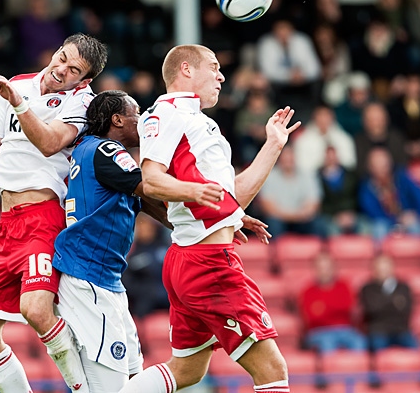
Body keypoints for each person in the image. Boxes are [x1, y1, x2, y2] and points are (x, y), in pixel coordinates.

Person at [0, 33, 107, 393]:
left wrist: (18, 105)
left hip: (44, 217)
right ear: (56, 50)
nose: (62, 69)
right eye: (62, 57)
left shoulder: (81, 103)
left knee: (37, 309)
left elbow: (49, 143)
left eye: (74, 69)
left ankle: (82, 388)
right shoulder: (19, 85)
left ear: (84, 80)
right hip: (7, 224)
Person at [118, 44, 300, 393]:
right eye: (214, 67)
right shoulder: (166, 113)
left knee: (187, 371)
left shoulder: (199, 122)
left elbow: (232, 196)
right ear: (186, 69)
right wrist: (194, 194)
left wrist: (273, 145)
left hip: (193, 258)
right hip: (209, 264)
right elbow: (152, 179)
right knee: (273, 369)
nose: (221, 75)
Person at [53, 90, 168, 391]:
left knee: (133, 377)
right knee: (113, 387)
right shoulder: (108, 151)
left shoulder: (86, 149)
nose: (141, 120)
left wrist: (195, 228)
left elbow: (148, 199)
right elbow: (151, 188)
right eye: (137, 113)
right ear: (117, 119)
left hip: (104, 279)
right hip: (90, 279)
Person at [299, 253, 367, 354]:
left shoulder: (344, 286)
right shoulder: (308, 291)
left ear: (333, 268)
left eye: (327, 267)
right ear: (315, 270)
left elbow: (348, 307)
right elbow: (312, 317)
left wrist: (324, 307)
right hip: (319, 331)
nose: (324, 271)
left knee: (359, 341)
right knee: (327, 343)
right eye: (321, 268)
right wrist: (336, 308)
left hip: (345, 329)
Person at [358, 147, 420, 241]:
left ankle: (419, 254)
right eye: (377, 167)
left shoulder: (401, 177)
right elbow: (372, 213)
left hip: (407, 218)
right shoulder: (366, 187)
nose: (382, 170)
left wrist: (415, 214)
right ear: (370, 168)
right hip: (385, 222)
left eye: (385, 166)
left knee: (416, 226)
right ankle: (381, 255)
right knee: (379, 228)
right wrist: (396, 220)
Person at [359, 255, 419, 352]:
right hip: (378, 331)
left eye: (386, 267)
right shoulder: (367, 289)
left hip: (401, 330)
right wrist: (394, 300)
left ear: (392, 268)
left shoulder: (403, 287)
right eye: (380, 267)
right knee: (378, 350)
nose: (383, 271)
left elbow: (406, 310)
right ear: (374, 269)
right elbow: (372, 310)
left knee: (416, 351)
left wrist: (382, 300)